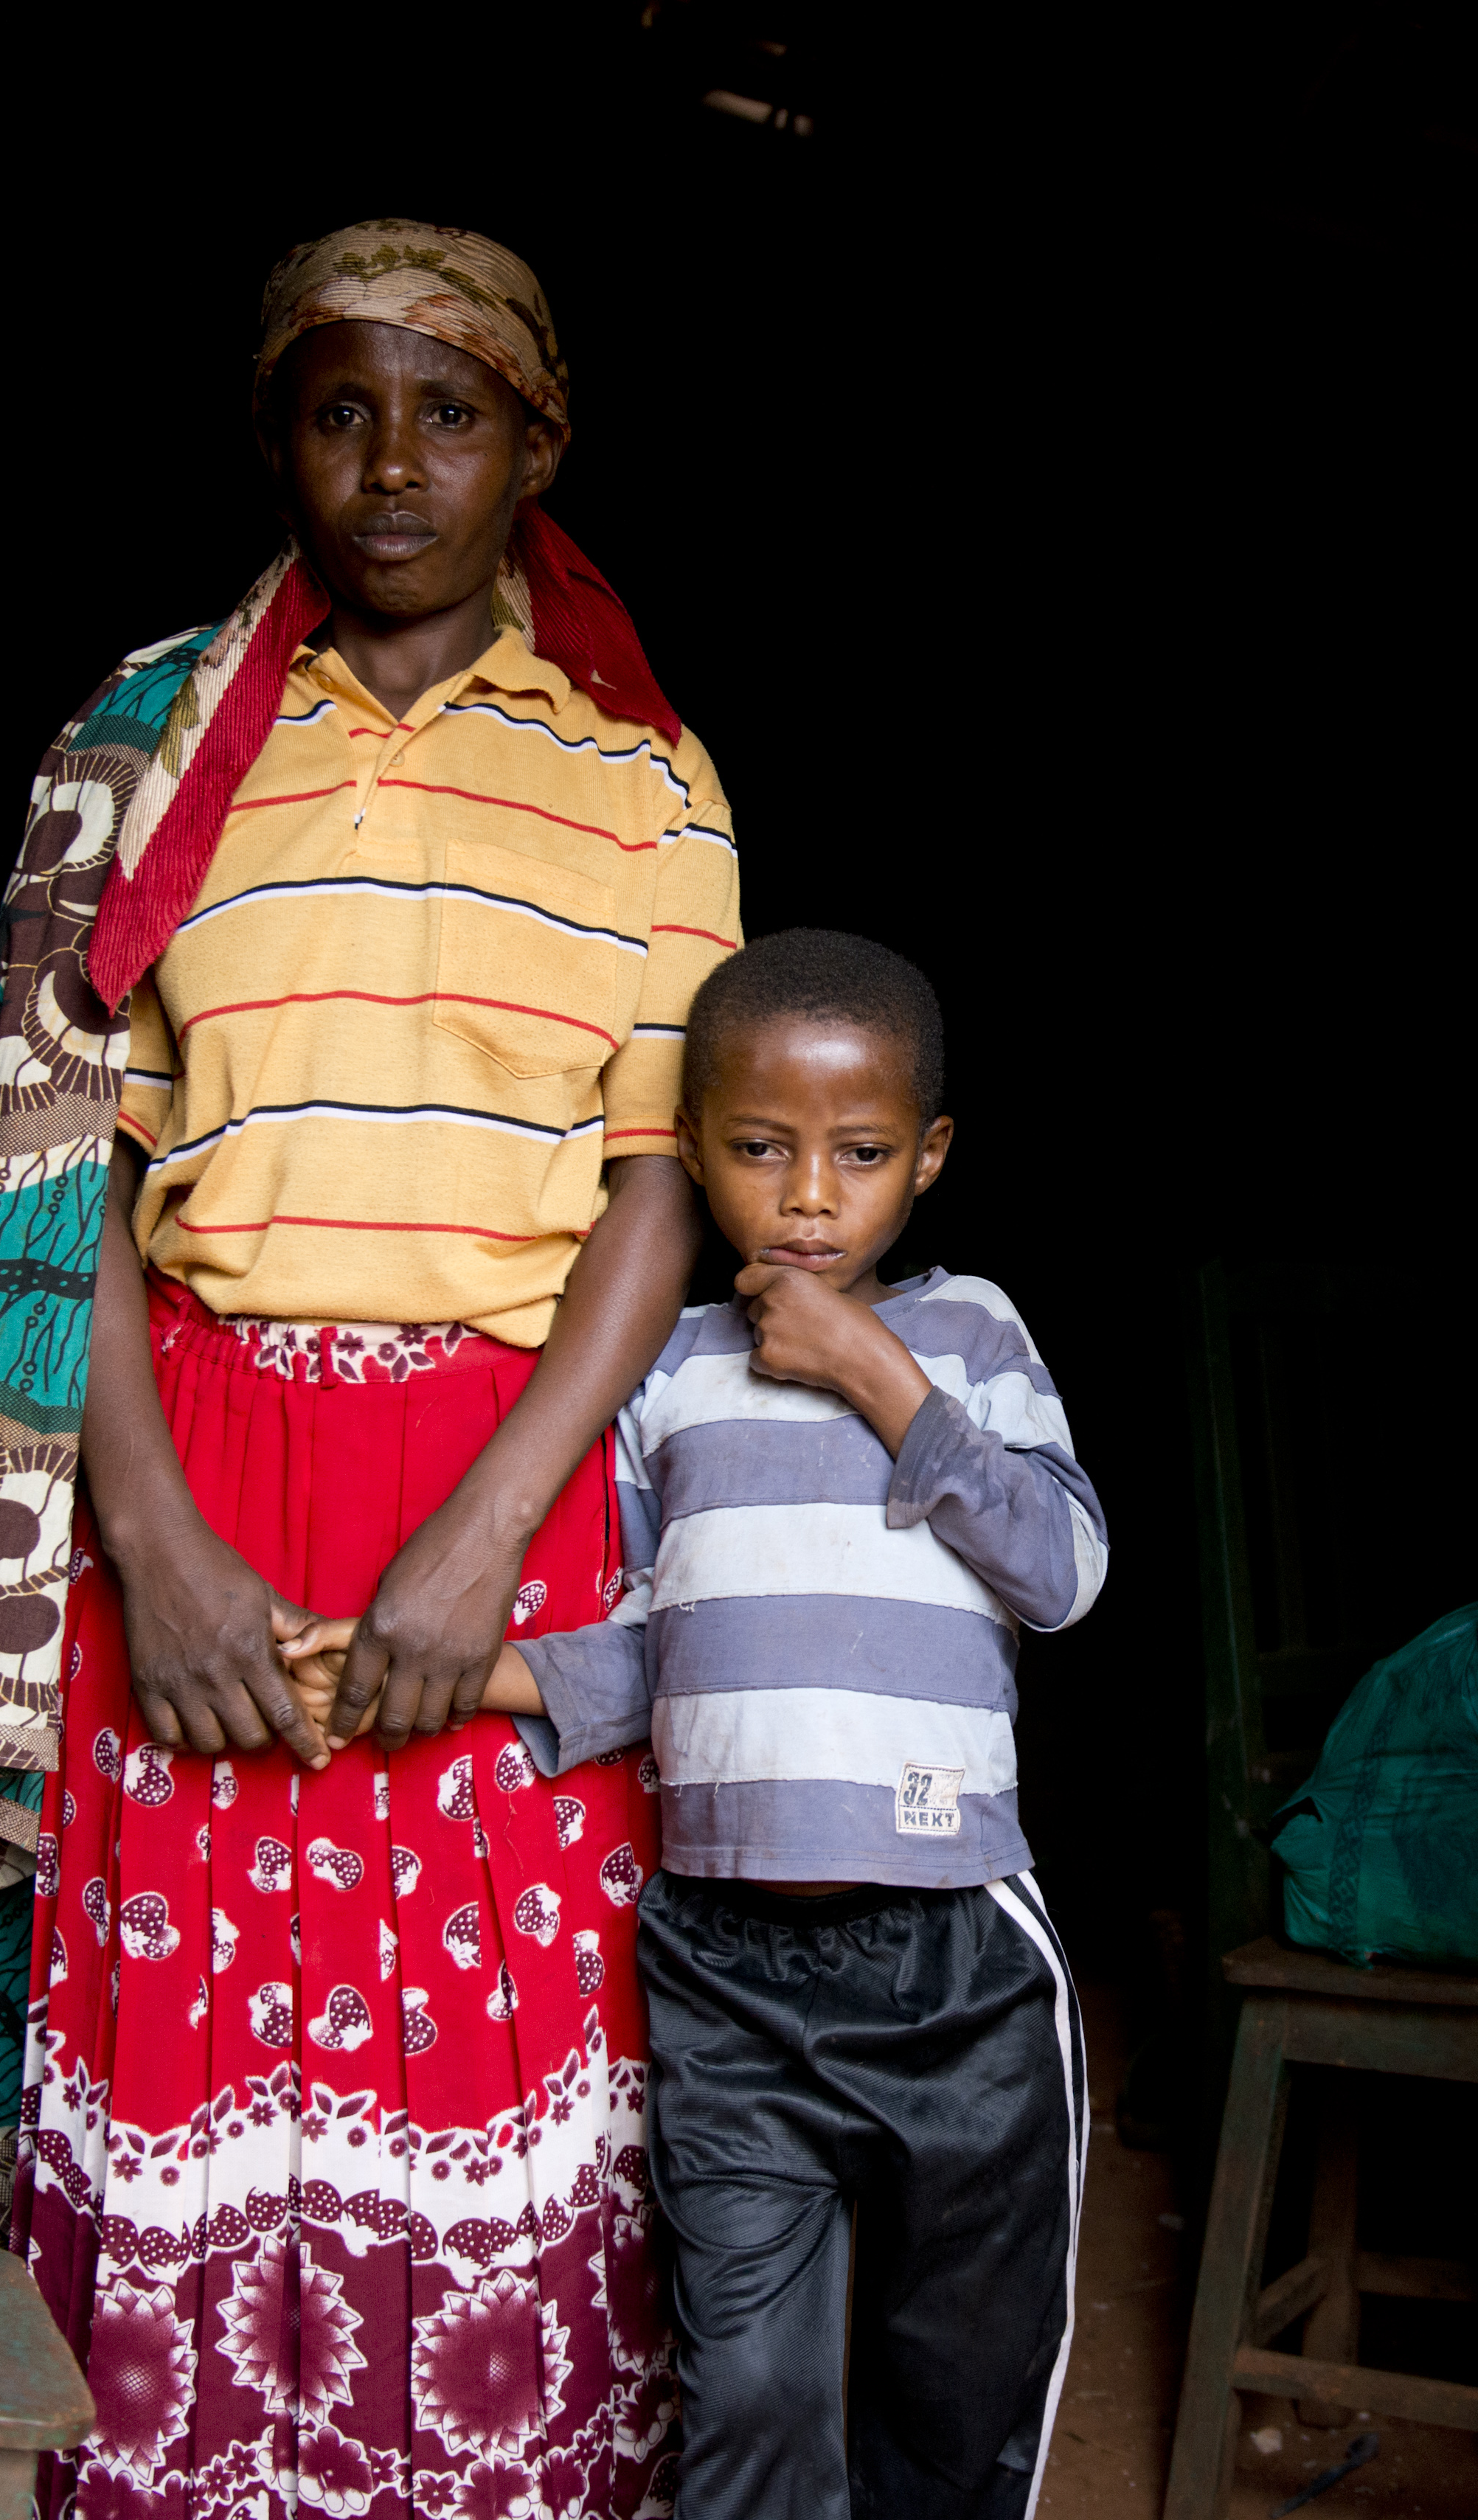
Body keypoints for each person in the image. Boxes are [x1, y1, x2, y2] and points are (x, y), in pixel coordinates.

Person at [0, 221, 733, 2520]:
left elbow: (657, 1185)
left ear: (540, 444)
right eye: (341, 408)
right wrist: (154, 1549)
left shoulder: (643, 786)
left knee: (492, 2080)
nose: (396, 465)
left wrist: (480, 1543)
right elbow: (53, 1163)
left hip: (500, 1493)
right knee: (198, 2082)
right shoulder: (154, 743)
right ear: (279, 437)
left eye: (453, 411)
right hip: (190, 1480)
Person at [445, 928, 1105, 2520]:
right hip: (726, 1972)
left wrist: (883, 1378)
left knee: (955, 2392)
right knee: (746, 2393)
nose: (811, 1194)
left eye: (861, 1153)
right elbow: (649, 1653)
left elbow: (1064, 1571)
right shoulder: (663, 1376)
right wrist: (465, 1670)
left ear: (927, 1156)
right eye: (759, 1148)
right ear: (692, 1149)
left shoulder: (972, 1334)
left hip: (956, 1958)